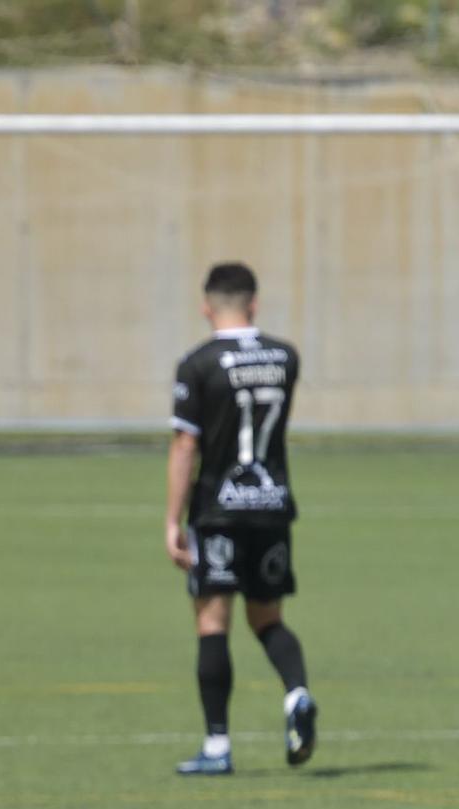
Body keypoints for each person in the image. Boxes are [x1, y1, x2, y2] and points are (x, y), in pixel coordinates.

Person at [164, 262, 316, 775]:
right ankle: (296, 694)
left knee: (213, 622)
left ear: (207, 306)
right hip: (272, 505)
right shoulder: (285, 357)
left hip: (219, 507)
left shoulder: (197, 364)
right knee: (267, 618)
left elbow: (187, 443)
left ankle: (216, 747)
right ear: (254, 303)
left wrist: (171, 519)